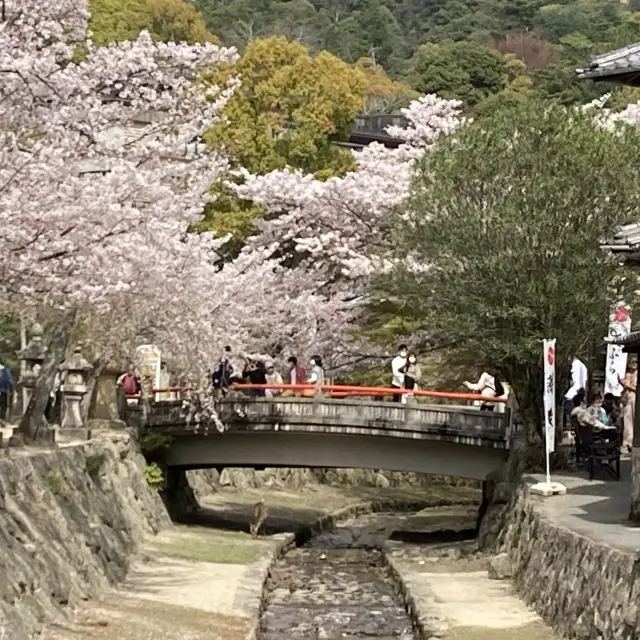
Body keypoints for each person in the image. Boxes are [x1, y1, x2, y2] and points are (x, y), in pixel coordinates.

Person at [563, 356, 588, 425]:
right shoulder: (583, 365)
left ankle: (575, 419)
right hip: (580, 389)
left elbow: (574, 378)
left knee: (568, 407)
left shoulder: (575, 364)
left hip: (575, 390)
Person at [619, 358, 637, 452]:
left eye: (636, 362)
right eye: (632, 362)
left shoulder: (637, 374)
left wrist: (627, 386)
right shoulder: (627, 374)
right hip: (627, 398)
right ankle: (627, 442)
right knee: (627, 420)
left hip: (635, 397)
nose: (634, 364)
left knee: (635, 420)